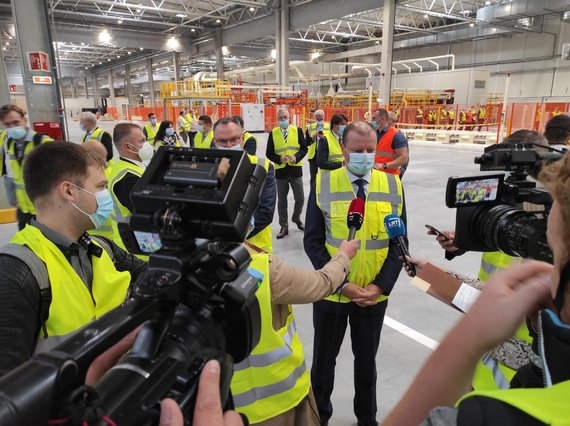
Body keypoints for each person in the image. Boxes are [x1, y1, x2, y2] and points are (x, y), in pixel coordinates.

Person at [385, 152, 570, 425]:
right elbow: (488, 293)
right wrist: (431, 277)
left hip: (502, 391)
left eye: (550, 248)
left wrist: (467, 339)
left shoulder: (485, 417)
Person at [0, 142, 146, 375]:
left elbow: (158, 278)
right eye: (100, 186)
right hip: (68, 409)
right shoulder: (17, 272)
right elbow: (10, 387)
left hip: (115, 396)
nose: (105, 195)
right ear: (69, 191)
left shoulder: (101, 248)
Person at [304, 121, 404, 426]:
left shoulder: (392, 184)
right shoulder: (323, 183)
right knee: (323, 363)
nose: (365, 156)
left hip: (373, 297)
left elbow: (400, 243)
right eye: (358, 150)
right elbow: (313, 242)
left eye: (370, 150)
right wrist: (341, 284)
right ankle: (319, 417)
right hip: (333, 293)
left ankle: (367, 420)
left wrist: (380, 286)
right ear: (343, 150)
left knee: (366, 364)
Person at [234, 236, 358, 425]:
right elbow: (320, 283)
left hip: (223, 408)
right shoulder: (260, 269)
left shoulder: (182, 268)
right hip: (277, 406)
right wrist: (343, 256)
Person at [212, 116, 276, 253]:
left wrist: (230, 235)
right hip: (216, 251)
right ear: (215, 141)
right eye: (222, 141)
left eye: (234, 139)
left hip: (254, 249)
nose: (229, 145)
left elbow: (265, 213)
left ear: (242, 139)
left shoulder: (262, 166)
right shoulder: (208, 168)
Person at [0, 104, 53, 230]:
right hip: (24, 210)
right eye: (7, 125)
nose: (12, 127)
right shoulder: (10, 144)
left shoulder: (43, 142)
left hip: (45, 211)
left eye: (16, 122)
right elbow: (15, 176)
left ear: (24, 120)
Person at [108, 123, 153, 255]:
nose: (147, 145)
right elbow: (146, 213)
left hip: (142, 244)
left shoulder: (134, 168)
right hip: (136, 250)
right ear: (127, 146)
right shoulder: (126, 178)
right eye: (142, 141)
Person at [265, 108, 307, 239]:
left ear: (289, 117)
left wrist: (297, 157)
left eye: (285, 117)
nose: (283, 120)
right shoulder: (273, 133)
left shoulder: (298, 130)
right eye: (281, 118)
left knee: (300, 199)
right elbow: (269, 153)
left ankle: (296, 218)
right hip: (281, 172)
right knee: (282, 201)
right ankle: (284, 226)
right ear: (277, 119)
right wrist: (279, 159)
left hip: (295, 170)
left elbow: (304, 148)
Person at [371, 108, 410, 177]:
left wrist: (384, 166)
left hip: (389, 176)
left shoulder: (396, 135)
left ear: (382, 119)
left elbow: (404, 158)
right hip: (375, 175)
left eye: (374, 118)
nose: (372, 121)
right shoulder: (373, 133)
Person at [306, 110, 330, 184]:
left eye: (321, 119)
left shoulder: (329, 126)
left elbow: (333, 140)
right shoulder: (310, 127)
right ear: (315, 118)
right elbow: (306, 142)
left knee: (326, 176)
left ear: (324, 117)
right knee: (313, 177)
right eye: (318, 119)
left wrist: (324, 137)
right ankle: (313, 194)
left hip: (325, 155)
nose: (319, 121)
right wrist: (312, 138)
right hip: (314, 156)